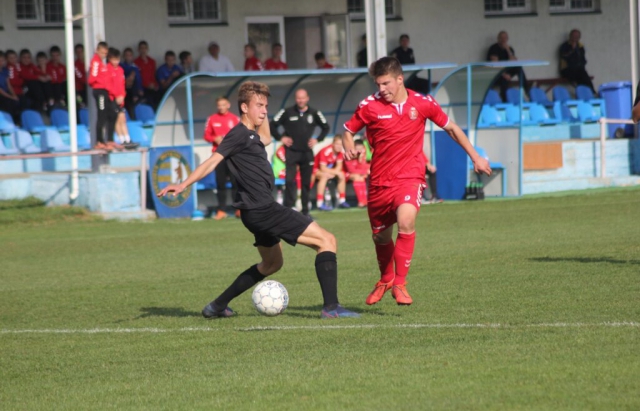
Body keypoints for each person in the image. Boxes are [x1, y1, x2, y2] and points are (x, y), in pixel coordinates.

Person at [157, 81, 359, 320]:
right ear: (244, 107)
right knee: (327, 240)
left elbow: (266, 138)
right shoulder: (238, 134)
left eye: (266, 106)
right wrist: (183, 184)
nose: (264, 111)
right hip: (263, 209)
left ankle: (216, 306)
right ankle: (331, 307)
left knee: (272, 264)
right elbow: (212, 161)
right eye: (259, 106)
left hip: (254, 212)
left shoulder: (251, 135)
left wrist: (261, 109)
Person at [342, 57, 491, 306]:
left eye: (386, 83)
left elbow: (452, 128)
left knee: (406, 221)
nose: (382, 89)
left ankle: (400, 284)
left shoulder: (422, 103)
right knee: (380, 238)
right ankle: (386, 279)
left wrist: (475, 157)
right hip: (380, 182)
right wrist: (348, 147)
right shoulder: (369, 106)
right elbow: (348, 131)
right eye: (378, 84)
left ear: (400, 79)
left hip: (410, 176)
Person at [270, 88, 330, 216]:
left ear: (307, 98)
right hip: (291, 152)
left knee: (306, 182)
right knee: (289, 180)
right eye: (298, 98)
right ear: (295, 99)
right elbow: (272, 124)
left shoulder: (314, 113)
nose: (301, 100)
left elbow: (326, 127)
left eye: (303, 98)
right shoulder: (287, 112)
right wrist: (281, 138)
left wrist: (317, 139)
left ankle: (305, 211)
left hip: (307, 152)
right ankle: (289, 209)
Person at [203, 96, 241, 220]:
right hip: (218, 156)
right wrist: (214, 138)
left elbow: (241, 135)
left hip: (233, 155)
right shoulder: (212, 119)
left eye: (223, 104)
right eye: (219, 105)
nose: (221, 107)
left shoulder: (235, 119)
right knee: (221, 183)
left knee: (236, 183)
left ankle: (238, 209)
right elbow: (206, 135)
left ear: (228, 105)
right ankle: (221, 210)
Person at [107, 47, 138, 150]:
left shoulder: (120, 70)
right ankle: (121, 140)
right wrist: (115, 96)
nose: (116, 62)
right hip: (112, 99)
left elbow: (122, 85)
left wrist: (122, 96)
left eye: (117, 59)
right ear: (109, 59)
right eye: (114, 59)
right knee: (116, 119)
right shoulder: (107, 70)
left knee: (123, 119)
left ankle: (127, 140)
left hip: (120, 99)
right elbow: (108, 86)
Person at [487, 31, 529, 101]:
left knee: (518, 68)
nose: (503, 40)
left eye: (505, 38)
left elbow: (514, 62)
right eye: (502, 38)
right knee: (504, 80)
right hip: (495, 73)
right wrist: (504, 74)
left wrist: (508, 50)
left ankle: (527, 91)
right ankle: (505, 101)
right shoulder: (494, 48)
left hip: (506, 71)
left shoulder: (509, 49)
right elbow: (495, 64)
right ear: (498, 39)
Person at [88, 42, 115, 150]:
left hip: (104, 91)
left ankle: (108, 140)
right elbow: (91, 79)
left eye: (105, 53)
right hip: (99, 91)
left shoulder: (100, 62)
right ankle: (99, 141)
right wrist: (99, 84)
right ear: (97, 51)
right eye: (102, 53)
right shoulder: (95, 62)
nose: (104, 55)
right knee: (101, 115)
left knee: (110, 113)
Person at [313, 135, 349, 211]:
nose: (339, 146)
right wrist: (334, 172)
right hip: (315, 170)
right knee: (324, 176)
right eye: (337, 144)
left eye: (341, 144)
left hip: (329, 171)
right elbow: (322, 168)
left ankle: (342, 200)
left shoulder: (340, 153)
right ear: (333, 144)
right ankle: (319, 203)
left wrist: (334, 173)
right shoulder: (325, 151)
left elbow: (339, 167)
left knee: (341, 175)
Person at [559, 29, 596, 94]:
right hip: (567, 70)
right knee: (582, 76)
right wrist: (572, 49)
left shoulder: (580, 46)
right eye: (573, 36)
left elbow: (582, 59)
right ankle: (591, 93)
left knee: (583, 76)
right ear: (570, 36)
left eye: (576, 37)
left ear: (579, 38)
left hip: (579, 70)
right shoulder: (564, 46)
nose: (574, 38)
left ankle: (589, 93)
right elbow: (565, 56)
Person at [344, 139, 370, 207]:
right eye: (358, 149)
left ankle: (364, 201)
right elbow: (351, 170)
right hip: (346, 174)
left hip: (360, 175)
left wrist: (360, 160)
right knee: (357, 177)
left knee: (361, 177)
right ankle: (361, 201)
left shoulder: (364, 155)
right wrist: (363, 172)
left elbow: (366, 167)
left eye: (361, 149)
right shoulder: (349, 155)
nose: (359, 151)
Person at [134, 40, 159, 108]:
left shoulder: (152, 61)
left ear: (147, 49)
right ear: (138, 50)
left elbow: (153, 75)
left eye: (145, 48)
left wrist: (155, 85)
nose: (143, 50)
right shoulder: (136, 62)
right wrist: (146, 85)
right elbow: (137, 78)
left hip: (152, 87)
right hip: (142, 88)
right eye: (141, 48)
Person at [120, 48, 144, 117]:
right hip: (124, 90)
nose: (128, 57)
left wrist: (139, 89)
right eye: (126, 55)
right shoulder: (121, 66)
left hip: (133, 91)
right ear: (124, 56)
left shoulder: (135, 67)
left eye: (130, 55)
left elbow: (138, 80)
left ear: (132, 56)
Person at [0, 52, 21, 124]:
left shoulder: (5, 70)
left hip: (6, 92)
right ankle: (8, 122)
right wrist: (11, 97)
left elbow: (8, 84)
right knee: (8, 102)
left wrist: (14, 95)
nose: (1, 62)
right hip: (1, 94)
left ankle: (17, 122)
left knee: (17, 101)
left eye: (2, 60)